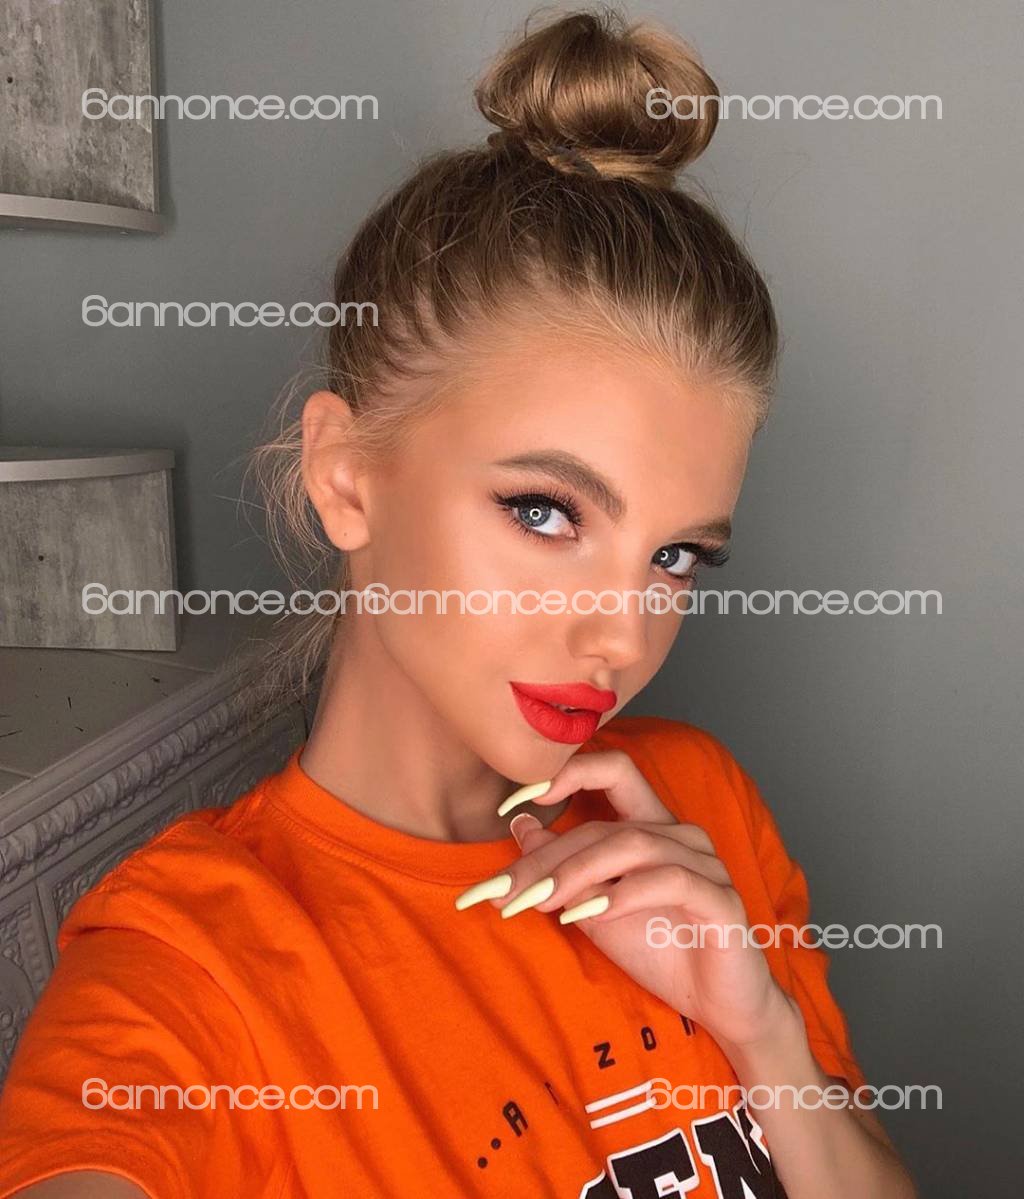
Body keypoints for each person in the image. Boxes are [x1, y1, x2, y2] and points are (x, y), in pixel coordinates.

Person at [0, 8, 917, 1197]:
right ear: (347, 476)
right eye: (545, 511)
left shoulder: (700, 804)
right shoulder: (192, 969)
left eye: (677, 556)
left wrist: (761, 1032)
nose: (622, 634)